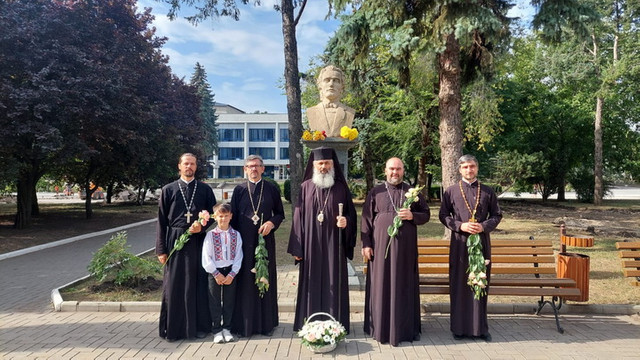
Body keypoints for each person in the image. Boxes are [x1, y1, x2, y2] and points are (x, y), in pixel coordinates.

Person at [361, 157, 430, 346]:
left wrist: (412, 215)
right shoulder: (376, 192)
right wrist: (366, 244)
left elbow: (426, 215)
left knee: (403, 284)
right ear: (385, 170)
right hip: (380, 248)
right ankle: (379, 327)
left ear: (403, 170)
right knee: (380, 285)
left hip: (405, 252)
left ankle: (405, 329)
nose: (395, 172)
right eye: (391, 168)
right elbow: (366, 220)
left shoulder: (412, 192)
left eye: (398, 169)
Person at [287, 147, 357, 332]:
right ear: (314, 165)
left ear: (333, 165)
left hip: (334, 245)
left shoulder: (341, 188)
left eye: (327, 163)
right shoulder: (305, 187)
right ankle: (309, 323)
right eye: (320, 163)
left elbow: (352, 216)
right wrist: (298, 248)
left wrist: (346, 222)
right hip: (311, 246)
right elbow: (298, 218)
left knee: (334, 279)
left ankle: (336, 323)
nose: (324, 167)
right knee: (311, 281)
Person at [439, 154, 502, 342]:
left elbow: (497, 215)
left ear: (477, 168)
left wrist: (484, 226)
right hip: (459, 245)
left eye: (472, 166)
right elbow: (443, 215)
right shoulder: (451, 191)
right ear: (459, 169)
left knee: (479, 283)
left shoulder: (488, 191)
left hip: (481, 244)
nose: (469, 170)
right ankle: (458, 328)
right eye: (465, 167)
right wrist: (460, 226)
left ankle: (480, 329)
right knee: (460, 285)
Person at [156, 153, 217, 341]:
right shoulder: (168, 190)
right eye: (185, 164)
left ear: (196, 167)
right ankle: (174, 328)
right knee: (174, 284)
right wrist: (161, 249)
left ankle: (198, 327)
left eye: (192, 164)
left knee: (198, 282)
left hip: (198, 241)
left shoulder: (205, 190)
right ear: (179, 166)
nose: (189, 167)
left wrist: (203, 226)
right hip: (175, 240)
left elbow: (214, 215)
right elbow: (160, 221)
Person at [229, 155, 285, 337]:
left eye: (257, 166)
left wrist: (271, 223)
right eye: (250, 166)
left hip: (265, 241)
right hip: (243, 243)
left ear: (263, 168)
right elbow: (233, 217)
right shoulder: (238, 190)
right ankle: (244, 325)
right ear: (245, 169)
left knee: (264, 278)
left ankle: (266, 325)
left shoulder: (271, 188)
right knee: (245, 281)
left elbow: (280, 214)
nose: (253, 169)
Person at [202, 203, 243, 344]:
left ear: (231, 216)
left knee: (229, 301)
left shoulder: (236, 235)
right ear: (214, 217)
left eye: (226, 216)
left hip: (230, 271)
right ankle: (217, 330)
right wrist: (215, 273)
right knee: (214, 301)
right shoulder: (210, 235)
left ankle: (227, 328)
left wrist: (232, 273)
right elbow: (206, 257)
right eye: (220, 216)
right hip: (215, 272)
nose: (223, 219)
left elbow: (239, 256)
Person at [306, 65, 356, 137]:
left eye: (336, 80)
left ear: (342, 87)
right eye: (327, 80)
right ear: (320, 86)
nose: (331, 84)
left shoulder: (349, 112)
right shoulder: (311, 111)